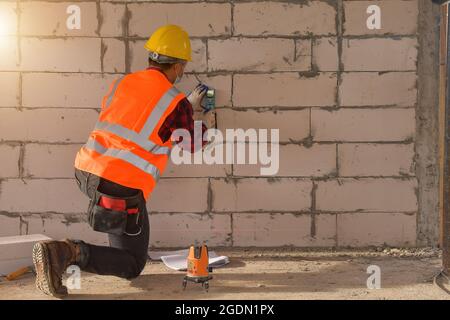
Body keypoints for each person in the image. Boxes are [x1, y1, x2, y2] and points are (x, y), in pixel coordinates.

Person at [32, 24, 210, 297]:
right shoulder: (176, 103)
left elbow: (137, 120)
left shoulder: (123, 83)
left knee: (123, 241)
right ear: (178, 67)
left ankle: (66, 254)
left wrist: (182, 109)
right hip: (120, 184)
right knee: (131, 263)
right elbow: (191, 143)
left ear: (151, 58)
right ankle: (65, 252)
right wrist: (195, 115)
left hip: (86, 172)